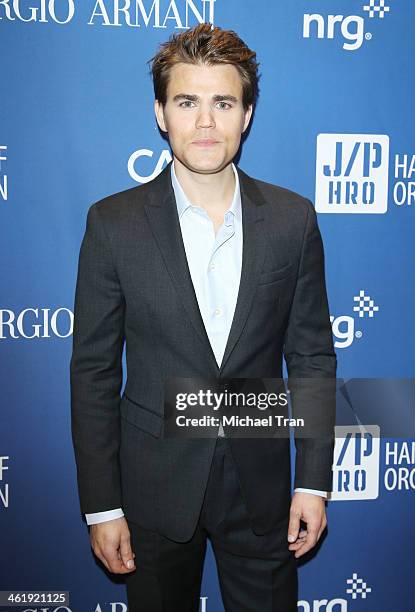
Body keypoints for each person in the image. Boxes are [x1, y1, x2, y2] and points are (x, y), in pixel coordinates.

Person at [70, 22, 336, 612]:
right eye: (188, 102)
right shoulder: (112, 225)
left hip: (262, 485)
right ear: (161, 113)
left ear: (247, 115)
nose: (207, 122)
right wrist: (103, 504)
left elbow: (313, 355)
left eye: (224, 102)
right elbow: (93, 372)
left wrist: (313, 480)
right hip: (153, 488)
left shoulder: (293, 220)